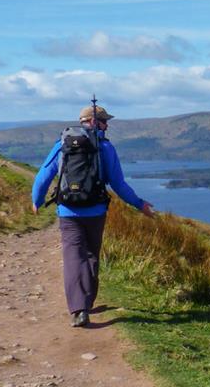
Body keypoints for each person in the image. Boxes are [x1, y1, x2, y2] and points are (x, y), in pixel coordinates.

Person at [31, 104, 154, 327]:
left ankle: (78, 309)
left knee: (73, 257)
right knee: (90, 255)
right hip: (96, 211)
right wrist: (139, 204)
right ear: (92, 122)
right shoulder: (105, 148)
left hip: (68, 211)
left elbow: (43, 176)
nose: (107, 125)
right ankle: (85, 302)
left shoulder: (62, 145)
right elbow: (118, 183)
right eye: (104, 121)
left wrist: (37, 200)